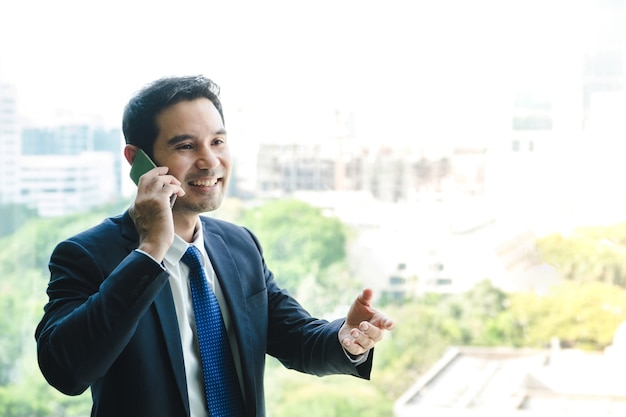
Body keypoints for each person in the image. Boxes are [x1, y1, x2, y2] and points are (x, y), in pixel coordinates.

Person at [35, 75, 395, 417]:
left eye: (218, 142)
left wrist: (344, 340)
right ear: (137, 160)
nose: (210, 161)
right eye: (186, 146)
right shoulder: (87, 255)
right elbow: (65, 372)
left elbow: (296, 337)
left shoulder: (239, 246)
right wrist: (149, 252)